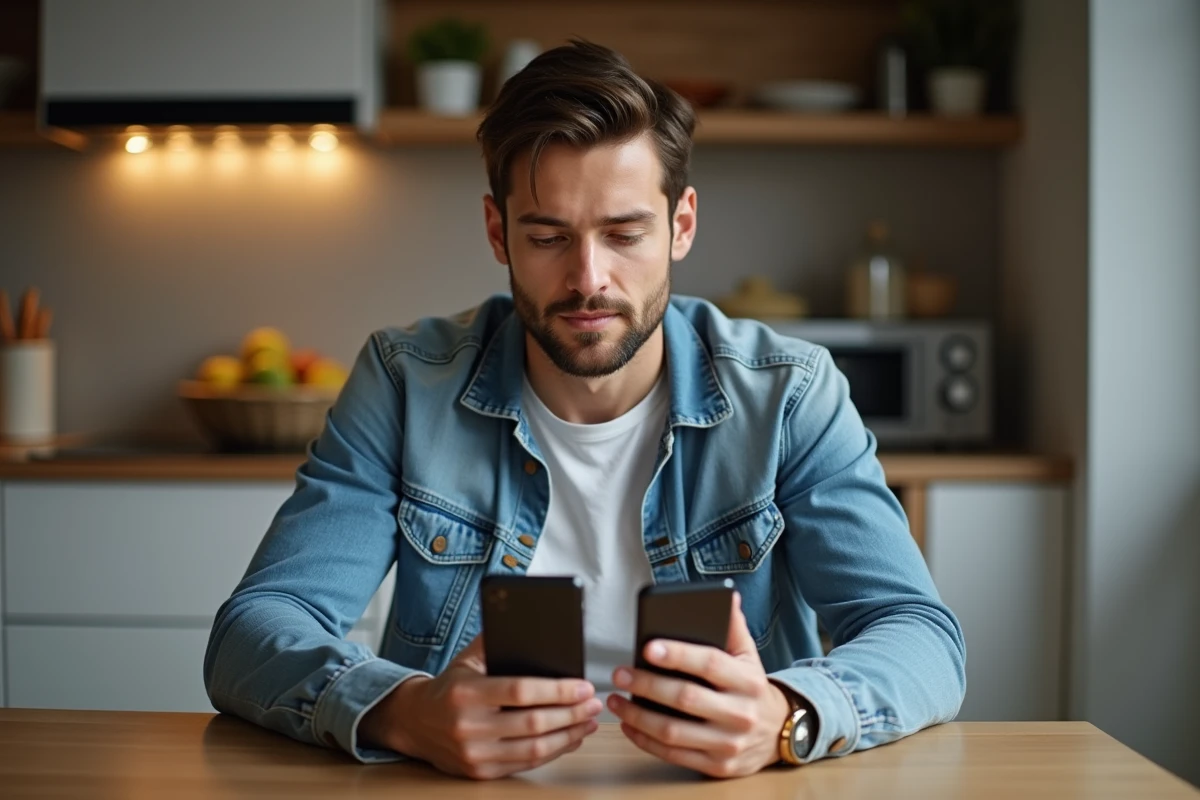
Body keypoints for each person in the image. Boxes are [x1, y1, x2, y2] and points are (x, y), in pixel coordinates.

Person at [204, 40, 965, 781]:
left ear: (681, 225)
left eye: (624, 234)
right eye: (548, 237)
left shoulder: (791, 395)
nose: (588, 278)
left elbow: (920, 636)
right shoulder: (406, 384)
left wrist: (788, 716)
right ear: (498, 232)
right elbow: (256, 628)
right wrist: (404, 713)